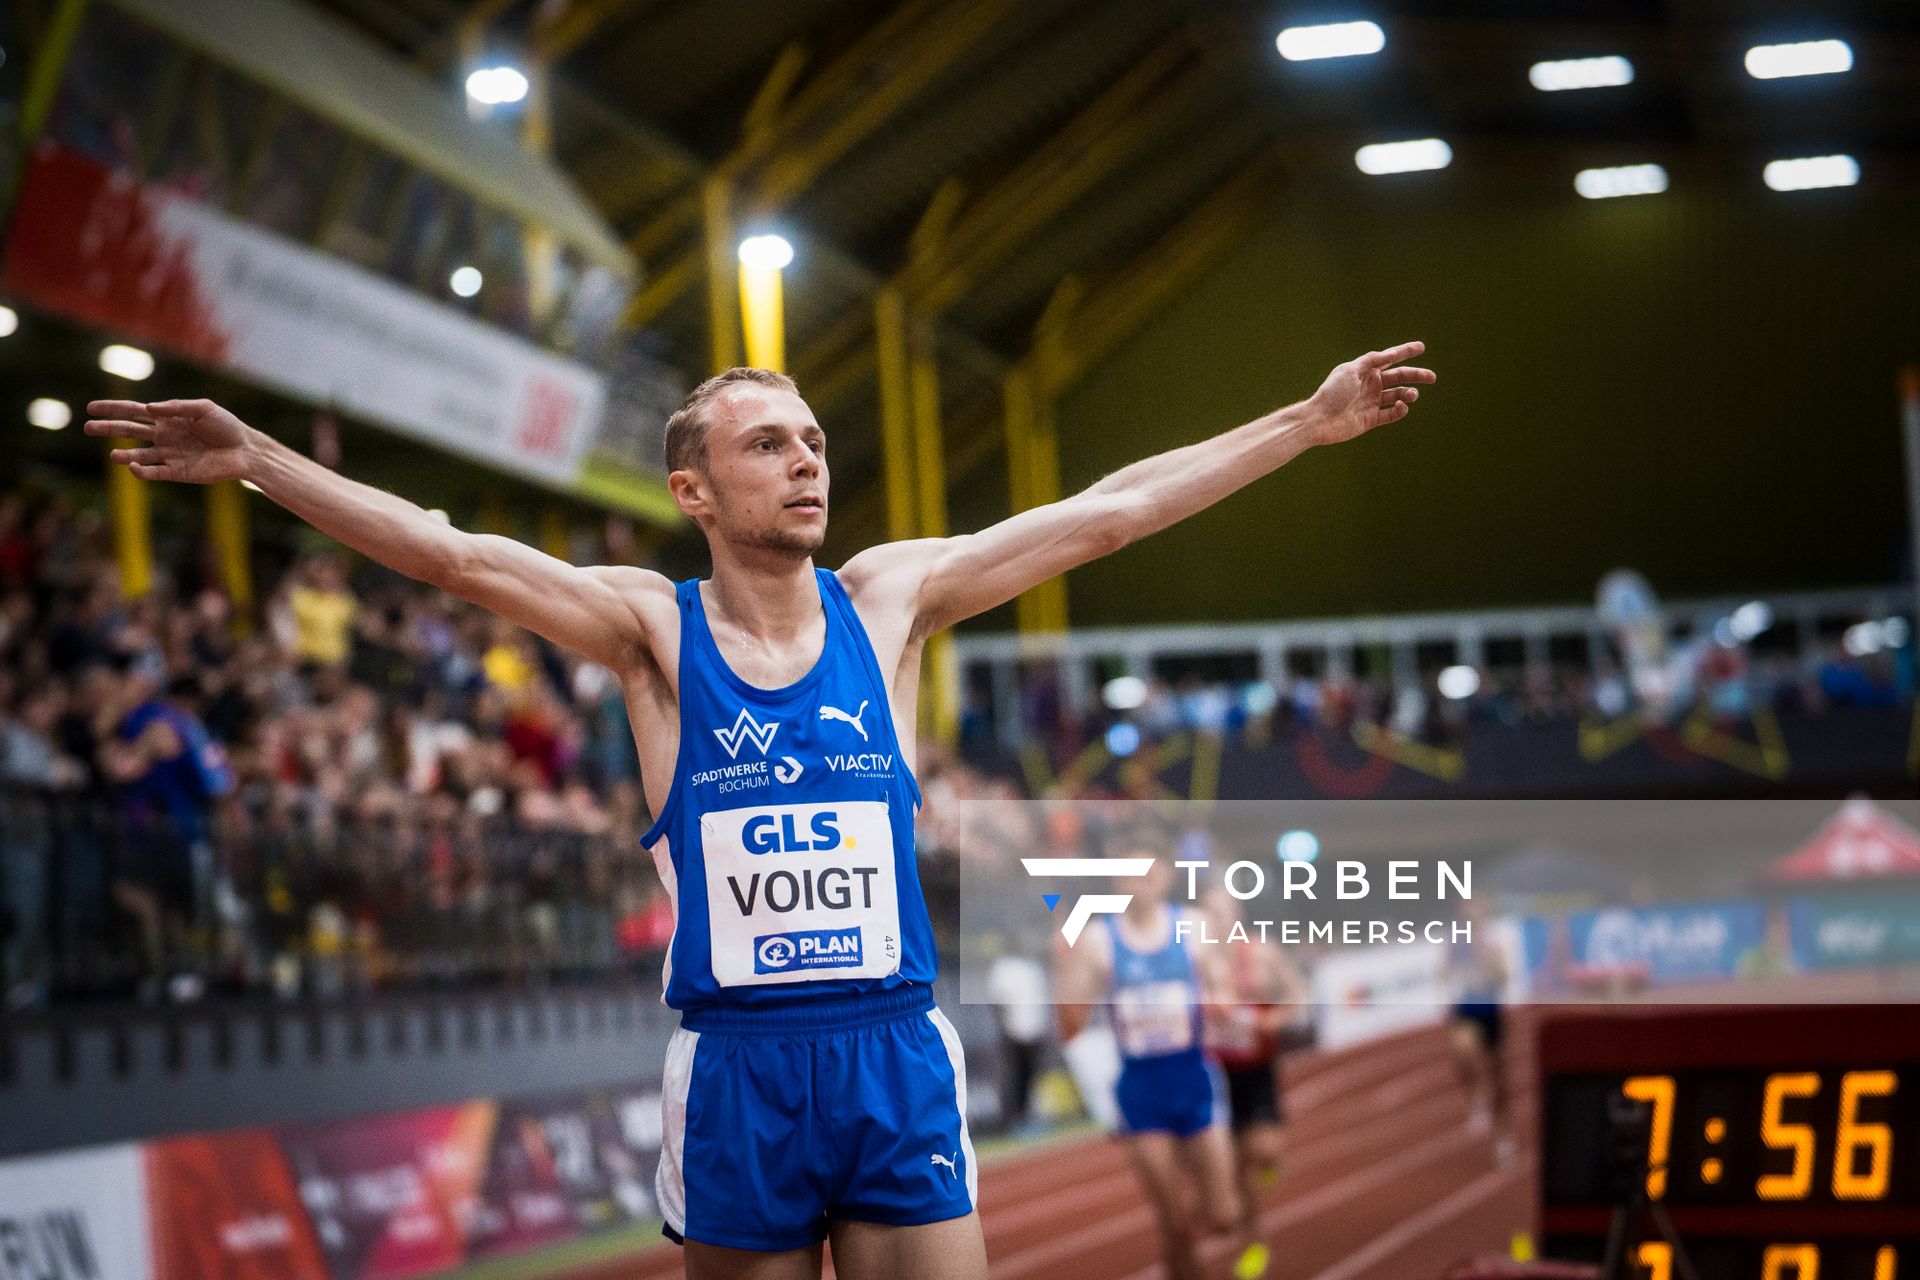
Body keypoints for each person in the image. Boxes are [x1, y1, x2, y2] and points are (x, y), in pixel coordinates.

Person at [87, 338, 1434, 1280]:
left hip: (893, 1052)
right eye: (768, 443)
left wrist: (1304, 426)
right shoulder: (650, 635)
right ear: (693, 490)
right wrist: (261, 456)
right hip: (737, 1074)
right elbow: (446, 550)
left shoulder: (888, 602)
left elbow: (1108, 515)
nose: (807, 463)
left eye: (814, 441)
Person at [1056, 845, 1263, 1280]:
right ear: (1116, 881)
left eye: (1146, 871)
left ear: (1164, 876)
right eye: (1128, 873)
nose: (1138, 880)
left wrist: (1222, 1005)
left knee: (1223, 1215)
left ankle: (1214, 1183)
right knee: (1175, 1226)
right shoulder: (1098, 940)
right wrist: (1065, 968)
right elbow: (1071, 1025)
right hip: (1141, 1090)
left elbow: (1223, 989)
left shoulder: (1192, 926)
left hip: (1195, 1080)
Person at [1201, 886, 1310, 1275]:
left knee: (1265, 1152)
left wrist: (1270, 1020)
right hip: (1217, 1072)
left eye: (1223, 911)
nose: (1217, 919)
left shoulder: (1261, 953)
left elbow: (1298, 994)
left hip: (1258, 1069)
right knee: (1239, 1165)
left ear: (1238, 914)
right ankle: (1253, 1243)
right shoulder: (1198, 960)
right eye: (1209, 912)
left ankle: (1269, 1160)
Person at [1448, 895, 1514, 1162]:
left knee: (1499, 1078)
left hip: (1490, 1010)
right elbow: (1443, 970)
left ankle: (1503, 1135)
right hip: (1466, 1009)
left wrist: (1491, 970)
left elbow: (1504, 976)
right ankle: (1475, 1096)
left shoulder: (1493, 943)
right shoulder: (1455, 943)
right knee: (1462, 1055)